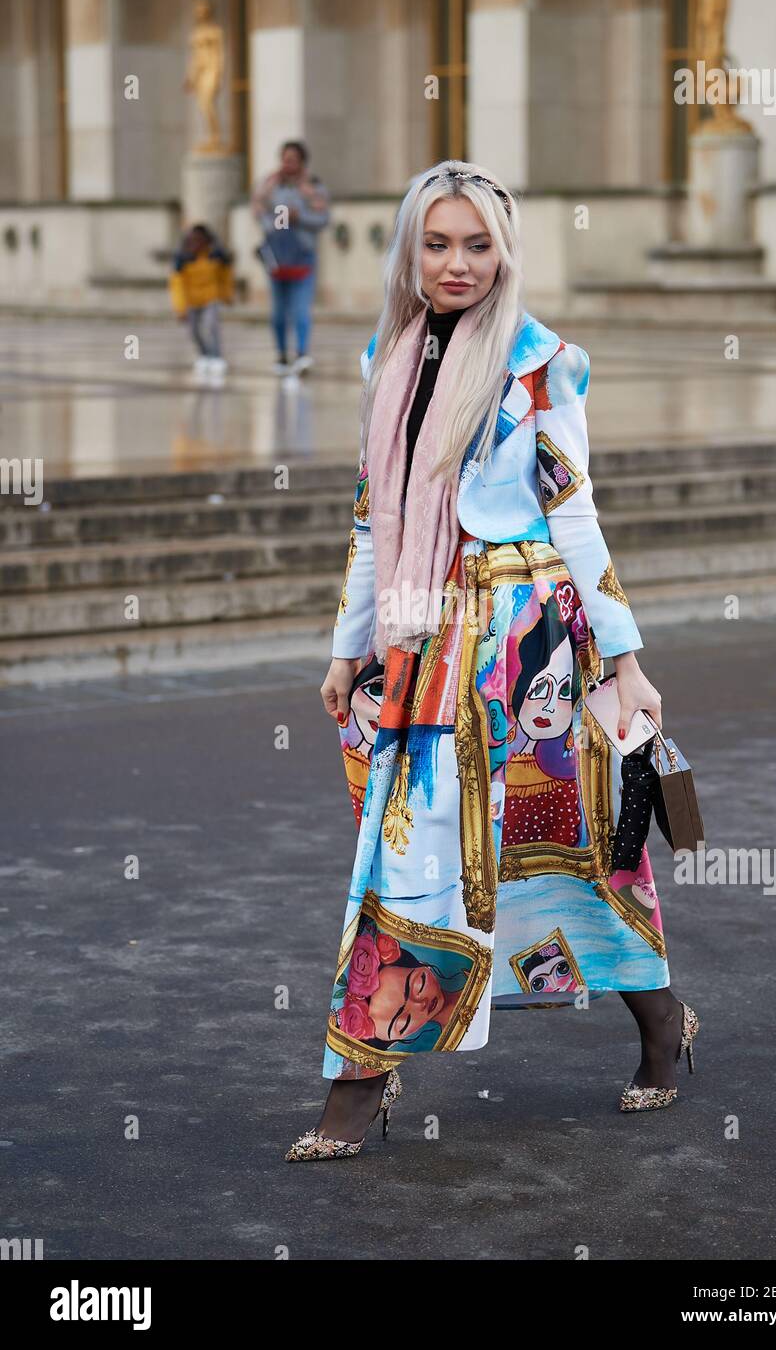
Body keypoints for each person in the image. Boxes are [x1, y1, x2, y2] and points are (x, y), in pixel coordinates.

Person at [285, 160, 700, 1163]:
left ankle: (659, 1025)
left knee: (581, 853)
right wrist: (350, 645)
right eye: (437, 243)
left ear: (504, 252)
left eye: (478, 244)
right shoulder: (382, 359)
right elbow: (370, 524)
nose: (457, 263)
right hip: (427, 643)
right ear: (407, 249)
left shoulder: (540, 364)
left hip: (537, 642)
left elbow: (575, 513)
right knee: (407, 857)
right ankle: (356, 1084)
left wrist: (627, 661)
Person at [251, 140, 331, 375]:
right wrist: (277, 224)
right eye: (285, 159)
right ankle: (282, 355)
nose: (288, 164)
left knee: (300, 309)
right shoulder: (270, 186)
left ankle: (302, 354)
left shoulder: (313, 187)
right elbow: (258, 211)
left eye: (292, 160)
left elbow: (323, 219)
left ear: (301, 162)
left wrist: (300, 217)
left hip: (303, 256)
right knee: (277, 311)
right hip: (276, 256)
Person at [168, 223, 233, 380]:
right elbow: (177, 286)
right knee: (194, 331)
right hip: (191, 300)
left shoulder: (216, 256)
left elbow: (225, 277)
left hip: (211, 297)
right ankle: (204, 354)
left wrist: (226, 295)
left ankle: (216, 356)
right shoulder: (182, 260)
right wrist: (180, 308)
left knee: (211, 325)